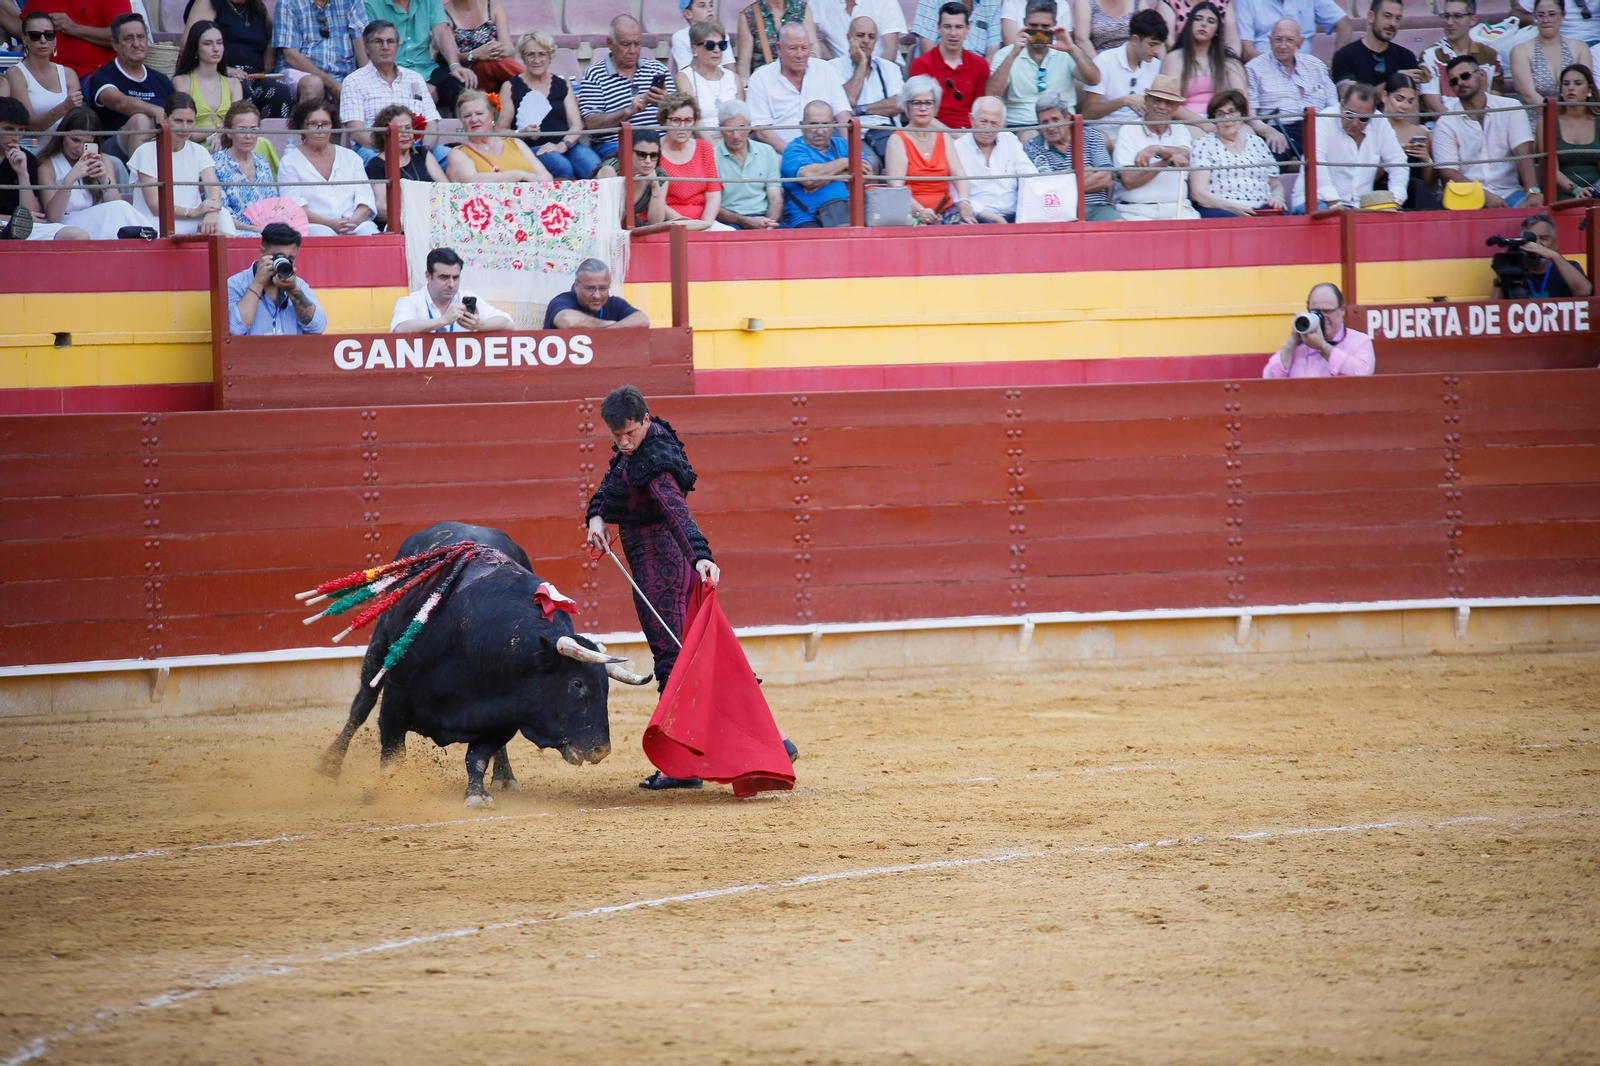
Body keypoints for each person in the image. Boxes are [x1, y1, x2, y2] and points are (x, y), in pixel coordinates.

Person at [582, 384, 722, 789]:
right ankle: (686, 758)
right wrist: (596, 517)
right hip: (650, 562)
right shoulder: (642, 445)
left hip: (664, 562)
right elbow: (612, 484)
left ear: (645, 419)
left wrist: (700, 554)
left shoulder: (656, 461)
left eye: (630, 434)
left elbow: (676, 512)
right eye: (616, 437)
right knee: (679, 654)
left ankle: (682, 763)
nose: (624, 444)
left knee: (674, 658)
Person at [1433, 54, 1544, 209]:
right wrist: (1482, 195)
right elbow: (1448, 172)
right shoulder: (1445, 122)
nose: (1461, 83)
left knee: (1535, 214)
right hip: (1466, 197)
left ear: (1481, 75)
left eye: (1465, 76)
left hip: (1510, 193)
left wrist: (1533, 192)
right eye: (1454, 81)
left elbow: (1523, 152)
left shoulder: (1511, 107)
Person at [128, 92, 239, 233]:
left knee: (223, 214)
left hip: (193, 218)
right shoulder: (145, 151)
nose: (184, 127)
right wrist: (192, 212)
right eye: (179, 121)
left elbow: (213, 188)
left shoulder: (199, 151)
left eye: (190, 122)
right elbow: (156, 206)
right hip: (156, 221)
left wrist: (212, 211)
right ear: (165, 118)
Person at [497, 31, 598, 180]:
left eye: (542, 54)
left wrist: (563, 145)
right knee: (561, 166)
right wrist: (522, 132)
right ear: (523, 57)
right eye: (531, 54)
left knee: (594, 165)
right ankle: (562, 203)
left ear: (550, 57)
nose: (536, 60)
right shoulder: (510, 86)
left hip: (566, 144)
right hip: (531, 147)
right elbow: (500, 130)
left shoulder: (562, 84)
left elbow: (576, 125)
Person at [988, 0, 1101, 131]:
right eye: (1033, 26)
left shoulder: (1066, 51)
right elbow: (992, 94)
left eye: (1045, 27)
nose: (1039, 32)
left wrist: (1072, 49)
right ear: (1024, 23)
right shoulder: (1006, 54)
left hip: (1063, 124)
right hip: (1023, 125)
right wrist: (1013, 54)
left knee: (1100, 139)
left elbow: (1094, 80)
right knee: (1030, 135)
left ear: (1055, 25)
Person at [35, 105, 145, 236]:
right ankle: (150, 236)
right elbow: (53, 217)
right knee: (119, 210)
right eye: (75, 140)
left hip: (97, 220)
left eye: (86, 143)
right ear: (62, 135)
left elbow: (115, 202)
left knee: (120, 208)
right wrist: (70, 179)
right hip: (66, 225)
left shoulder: (101, 160)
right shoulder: (47, 165)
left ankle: (148, 237)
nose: (79, 148)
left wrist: (104, 180)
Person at [1297, 81, 1406, 210]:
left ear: (1373, 113)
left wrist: (1396, 200)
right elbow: (1317, 162)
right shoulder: (1323, 120)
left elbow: (1398, 161)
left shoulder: (1379, 121)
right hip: (1317, 203)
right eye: (1349, 115)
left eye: (1363, 119)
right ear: (1342, 104)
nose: (1355, 123)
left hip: (1360, 208)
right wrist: (1334, 203)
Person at [278, 97, 379, 233]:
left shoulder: (350, 157)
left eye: (325, 123)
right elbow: (294, 207)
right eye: (313, 124)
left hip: (354, 223)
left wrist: (350, 223)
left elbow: (366, 200)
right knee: (323, 233)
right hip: (313, 225)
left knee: (369, 232)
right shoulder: (289, 161)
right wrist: (331, 224)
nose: (320, 129)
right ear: (302, 127)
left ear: (332, 127)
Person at [886, 75, 979, 222]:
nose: (923, 108)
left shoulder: (943, 137)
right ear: (907, 107)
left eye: (928, 103)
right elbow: (896, 185)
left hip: (945, 210)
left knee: (969, 229)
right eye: (917, 103)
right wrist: (920, 211)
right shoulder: (898, 139)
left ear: (935, 108)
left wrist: (964, 201)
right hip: (911, 214)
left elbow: (959, 174)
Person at [180, 0, 294, 118]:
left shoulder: (258, 6)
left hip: (255, 75)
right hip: (222, 72)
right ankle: (246, 133)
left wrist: (269, 52)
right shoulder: (208, 3)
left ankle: (273, 135)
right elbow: (188, 43)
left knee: (280, 90)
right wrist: (225, 69)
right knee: (242, 88)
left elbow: (272, 36)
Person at [577, 14, 669, 159]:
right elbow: (591, 124)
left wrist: (666, 103)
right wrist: (628, 111)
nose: (633, 51)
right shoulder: (595, 74)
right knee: (637, 156)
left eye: (637, 44)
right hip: (616, 145)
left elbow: (680, 114)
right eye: (626, 44)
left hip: (660, 142)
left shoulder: (657, 69)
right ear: (610, 43)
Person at [359, 0, 472, 116]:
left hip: (426, 69)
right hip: (391, 75)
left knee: (461, 91)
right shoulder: (371, 4)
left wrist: (455, 65)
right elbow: (370, 47)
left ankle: (462, 133)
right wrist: (419, 87)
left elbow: (441, 32)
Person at [748, 22, 852, 148]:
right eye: (793, 48)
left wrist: (850, 151)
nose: (800, 55)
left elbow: (842, 113)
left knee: (868, 163)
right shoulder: (760, 78)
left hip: (826, 148)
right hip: (782, 151)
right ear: (779, 48)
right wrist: (793, 154)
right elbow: (761, 131)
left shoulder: (826, 70)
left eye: (804, 48)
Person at [1244, 17, 1335, 160]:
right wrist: (1268, 131)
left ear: (1300, 42)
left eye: (1289, 40)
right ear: (1270, 39)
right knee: (1269, 155)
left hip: (1318, 129)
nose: (1283, 46)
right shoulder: (1254, 68)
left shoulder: (1316, 65)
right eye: (1278, 39)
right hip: (1280, 129)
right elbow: (1250, 116)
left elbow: (1334, 107)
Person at [82, 13, 171, 157]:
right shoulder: (103, 75)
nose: (136, 44)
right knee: (141, 120)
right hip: (111, 153)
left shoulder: (161, 80)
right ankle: (140, 178)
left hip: (158, 144)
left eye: (141, 37)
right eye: (128, 38)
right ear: (115, 44)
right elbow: (119, 102)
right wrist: (155, 111)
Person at [340, 19, 440, 147]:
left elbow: (431, 124)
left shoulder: (415, 78)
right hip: (375, 149)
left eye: (390, 41)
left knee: (453, 157)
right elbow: (357, 133)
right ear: (366, 47)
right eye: (378, 42)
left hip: (417, 148)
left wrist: (424, 151)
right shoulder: (353, 82)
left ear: (398, 46)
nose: (385, 47)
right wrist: (394, 153)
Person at [1162, 0, 1254, 139]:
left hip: (1226, 120)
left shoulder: (1230, 61)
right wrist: (1204, 124)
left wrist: (1225, 123)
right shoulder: (1174, 59)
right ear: (1190, 24)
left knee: (1248, 135)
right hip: (1187, 123)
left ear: (1217, 31)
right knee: (1204, 140)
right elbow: (1168, 104)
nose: (1203, 24)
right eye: (1198, 19)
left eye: (1211, 21)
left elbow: (1241, 101)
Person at [1113, 73, 1199, 219]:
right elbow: (1128, 181)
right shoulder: (1129, 130)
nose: (1162, 107)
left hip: (1178, 208)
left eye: (1168, 103)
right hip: (1135, 210)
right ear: (1146, 100)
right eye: (1157, 101)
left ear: (1176, 107)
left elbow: (1184, 154)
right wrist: (1164, 162)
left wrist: (1156, 150)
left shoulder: (1180, 129)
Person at [1189, 87, 1287, 214]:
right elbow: (1198, 193)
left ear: (1241, 115)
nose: (1226, 118)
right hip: (1222, 209)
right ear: (1214, 118)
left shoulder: (1257, 143)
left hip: (1262, 207)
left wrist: (1278, 197)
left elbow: (1275, 185)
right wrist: (1232, 207)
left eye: (1232, 112)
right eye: (1220, 113)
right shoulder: (1204, 144)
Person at [1082, 7, 1165, 152]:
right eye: (1152, 44)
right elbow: (1087, 113)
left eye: (1159, 45)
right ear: (1135, 39)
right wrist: (1123, 101)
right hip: (1105, 131)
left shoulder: (1156, 65)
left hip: (1140, 132)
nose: (1156, 51)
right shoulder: (1105, 61)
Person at [1026, 89, 1120, 217]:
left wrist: (1064, 182)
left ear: (1068, 118)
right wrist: (1087, 172)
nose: (1050, 127)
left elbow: (1105, 179)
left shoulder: (1091, 136)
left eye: (1055, 120)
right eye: (1045, 122)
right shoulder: (1033, 147)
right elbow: (1047, 189)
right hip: (1057, 213)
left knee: (1119, 229)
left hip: (1096, 208)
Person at [227, 221, 328, 335]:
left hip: (292, 352)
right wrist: (258, 283)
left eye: (290, 258)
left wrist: (293, 290)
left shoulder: (299, 285)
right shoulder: (236, 284)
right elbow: (234, 329)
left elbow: (318, 327)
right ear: (262, 252)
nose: (284, 262)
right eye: (279, 257)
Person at [831, 15, 904, 161]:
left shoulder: (889, 68)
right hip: (850, 133)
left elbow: (899, 103)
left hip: (885, 131)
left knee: (900, 160)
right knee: (869, 163)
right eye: (860, 35)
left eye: (871, 37)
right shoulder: (833, 67)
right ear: (848, 37)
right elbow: (848, 100)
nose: (866, 40)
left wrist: (860, 109)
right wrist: (862, 64)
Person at [1263, 282, 1373, 378]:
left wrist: (1323, 347)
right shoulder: (1300, 345)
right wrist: (1292, 342)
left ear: (1342, 310)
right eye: (1316, 312)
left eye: (1327, 311)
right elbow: (1268, 378)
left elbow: (1362, 374)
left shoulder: (1359, 341)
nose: (1322, 317)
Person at [954, 94, 1038, 220]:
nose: (987, 129)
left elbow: (1030, 174)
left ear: (1003, 124)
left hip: (1015, 215)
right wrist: (995, 218)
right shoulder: (958, 148)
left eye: (994, 123)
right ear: (971, 119)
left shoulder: (1010, 140)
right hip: (977, 217)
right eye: (983, 121)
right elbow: (955, 195)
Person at [391, 246, 514, 332]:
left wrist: (479, 325)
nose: (451, 284)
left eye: (455, 278)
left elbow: (507, 322)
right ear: (428, 276)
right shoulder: (411, 301)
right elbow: (399, 328)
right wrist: (443, 320)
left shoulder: (467, 297)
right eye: (444, 277)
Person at [910, 2, 992, 128]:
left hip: (970, 134)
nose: (953, 33)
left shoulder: (980, 65)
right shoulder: (921, 64)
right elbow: (920, 113)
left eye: (958, 27)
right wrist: (954, 137)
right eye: (947, 26)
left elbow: (979, 112)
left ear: (968, 28)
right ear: (938, 27)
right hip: (933, 132)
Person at [271, 0, 367, 106]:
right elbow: (291, 56)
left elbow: (363, 52)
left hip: (344, 77)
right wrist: (332, 84)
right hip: (300, 73)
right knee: (313, 84)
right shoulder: (288, 3)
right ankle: (309, 121)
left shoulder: (352, 2)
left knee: (365, 87)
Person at [6, 10, 84, 140]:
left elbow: (77, 120)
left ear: (55, 39)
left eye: (49, 35)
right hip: (33, 148)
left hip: (66, 148)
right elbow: (29, 124)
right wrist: (63, 107)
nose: (43, 40)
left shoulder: (68, 74)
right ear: (24, 38)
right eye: (35, 35)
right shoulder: (16, 73)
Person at [1418, 0, 1504, 116]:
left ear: (1473, 20)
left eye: (1457, 16)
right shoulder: (1430, 56)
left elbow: (1496, 104)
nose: (1449, 22)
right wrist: (1463, 125)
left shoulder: (1490, 56)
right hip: (1446, 127)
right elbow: (1433, 107)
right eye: (1446, 16)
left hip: (1486, 125)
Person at [445, 88, 550, 182]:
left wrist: (536, 181)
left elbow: (546, 176)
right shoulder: (458, 153)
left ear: (492, 115)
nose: (474, 119)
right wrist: (517, 176)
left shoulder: (515, 143)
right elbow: (469, 180)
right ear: (462, 121)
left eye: (479, 113)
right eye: (467, 116)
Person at [365, 102, 444, 226]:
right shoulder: (377, 165)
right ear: (384, 133)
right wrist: (417, 211)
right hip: (400, 225)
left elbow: (445, 187)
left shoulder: (423, 154)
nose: (405, 134)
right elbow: (380, 209)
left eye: (408, 128)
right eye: (398, 129)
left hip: (432, 220)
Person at [780, 98, 856, 226]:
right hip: (808, 218)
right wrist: (844, 163)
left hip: (845, 214)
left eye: (825, 124)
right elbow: (809, 179)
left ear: (833, 125)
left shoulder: (844, 145)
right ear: (802, 125)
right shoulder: (793, 150)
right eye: (813, 125)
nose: (820, 131)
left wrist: (822, 178)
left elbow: (865, 174)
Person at [657, 92, 727, 226]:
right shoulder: (654, 150)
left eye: (688, 121)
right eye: (676, 120)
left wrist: (706, 225)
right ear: (664, 120)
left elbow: (713, 194)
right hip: (669, 223)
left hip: (704, 222)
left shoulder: (704, 148)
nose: (682, 127)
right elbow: (653, 200)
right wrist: (685, 224)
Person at [211, 99, 281, 230]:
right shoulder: (216, 163)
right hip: (234, 231)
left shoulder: (262, 162)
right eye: (242, 129)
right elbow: (222, 213)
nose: (249, 136)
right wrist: (253, 229)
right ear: (228, 132)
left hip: (267, 230)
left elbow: (273, 204)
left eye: (254, 129)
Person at [714, 97, 784, 228]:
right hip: (731, 221)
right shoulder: (712, 157)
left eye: (741, 128)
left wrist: (769, 223)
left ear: (749, 126)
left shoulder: (766, 151)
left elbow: (775, 198)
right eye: (729, 130)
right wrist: (746, 221)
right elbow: (713, 206)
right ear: (720, 129)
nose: (736, 136)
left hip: (764, 217)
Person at [172, 20, 246, 142]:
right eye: (208, 43)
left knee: (262, 143)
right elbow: (188, 132)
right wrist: (219, 130)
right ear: (195, 49)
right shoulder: (182, 81)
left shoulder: (234, 84)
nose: (216, 49)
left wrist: (221, 136)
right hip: (197, 146)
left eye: (219, 43)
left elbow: (239, 125)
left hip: (229, 144)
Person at [1491, 211, 1594, 297]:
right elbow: (1492, 312)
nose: (1538, 244)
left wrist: (1553, 255)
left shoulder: (1568, 267)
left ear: (1555, 243)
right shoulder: (1514, 272)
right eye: (1532, 239)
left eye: (1544, 238)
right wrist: (1501, 277)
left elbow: (1584, 291)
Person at [1511, 0, 1594, 104]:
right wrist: (1555, 117)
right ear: (1535, 17)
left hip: (1573, 115)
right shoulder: (1520, 51)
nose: (1546, 20)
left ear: (1563, 16)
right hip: (1536, 115)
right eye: (1540, 15)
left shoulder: (1581, 48)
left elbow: (1583, 91)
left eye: (1552, 14)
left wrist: (1565, 118)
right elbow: (1529, 94)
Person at [21, 0, 125, 81]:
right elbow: (23, 28)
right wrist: (4, 9)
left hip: (94, 73)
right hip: (47, 73)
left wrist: (74, 28)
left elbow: (122, 35)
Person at [1379, 72, 1438, 209]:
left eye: (1410, 101)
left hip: (1413, 199)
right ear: (1384, 96)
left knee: (1417, 185)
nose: (1405, 106)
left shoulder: (1420, 132)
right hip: (1378, 196)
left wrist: (1426, 161)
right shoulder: (1371, 128)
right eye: (1399, 99)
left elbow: (1429, 186)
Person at [1330, 0, 1421, 88]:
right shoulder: (1345, 56)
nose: (1393, 23)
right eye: (1387, 16)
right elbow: (1350, 99)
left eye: (1397, 18)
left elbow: (1414, 102)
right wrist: (1396, 80)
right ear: (1371, 17)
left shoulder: (1406, 57)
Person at [674, 18, 744, 132]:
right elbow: (694, 120)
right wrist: (713, 148)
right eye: (710, 45)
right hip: (704, 143)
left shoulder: (734, 78)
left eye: (721, 45)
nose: (717, 50)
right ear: (694, 49)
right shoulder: (684, 77)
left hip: (733, 141)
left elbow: (742, 120)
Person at [1233, 0, 1352, 63]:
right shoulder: (1245, 1)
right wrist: (1280, 66)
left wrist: (1338, 61)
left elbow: (1344, 24)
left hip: (1305, 70)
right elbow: (1247, 51)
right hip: (1264, 70)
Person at [544, 259, 650, 328]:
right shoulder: (562, 301)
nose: (597, 295)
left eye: (603, 288)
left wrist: (609, 330)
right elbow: (568, 321)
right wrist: (609, 324)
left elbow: (642, 321)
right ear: (576, 286)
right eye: (590, 288)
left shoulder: (614, 303)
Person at [440, 0, 517, 94]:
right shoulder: (443, 13)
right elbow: (451, 58)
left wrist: (501, 50)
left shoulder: (492, 5)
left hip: (497, 71)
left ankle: (528, 88)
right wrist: (475, 54)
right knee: (487, 64)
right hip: (467, 77)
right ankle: (530, 86)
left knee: (496, 62)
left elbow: (510, 49)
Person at [738, 0, 821, 79]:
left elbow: (813, 47)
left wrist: (806, 65)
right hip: (765, 82)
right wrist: (745, 86)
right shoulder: (749, 15)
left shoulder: (801, 9)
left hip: (801, 78)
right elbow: (743, 65)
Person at [1554, 63, 1600, 197]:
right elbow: (1549, 168)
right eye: (1566, 83)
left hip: (1595, 192)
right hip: (1563, 194)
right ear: (1561, 90)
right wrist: (1575, 190)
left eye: (1578, 83)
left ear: (1589, 89)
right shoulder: (1548, 122)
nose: (1571, 88)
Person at [812, 0, 906, 61]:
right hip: (839, 76)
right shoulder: (819, 2)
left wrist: (875, 77)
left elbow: (891, 49)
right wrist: (831, 68)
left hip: (881, 74)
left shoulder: (885, 2)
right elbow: (811, 36)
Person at [915, 0, 1005, 57]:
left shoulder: (993, 2)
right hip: (939, 74)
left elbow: (993, 50)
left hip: (979, 75)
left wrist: (980, 78)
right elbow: (927, 49)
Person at [1073, 0, 1161, 54]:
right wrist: (1098, 67)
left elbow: (1150, 31)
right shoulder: (1086, 2)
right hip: (1099, 63)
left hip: (1134, 60)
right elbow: (1081, 39)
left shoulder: (1138, 1)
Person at [672, 0, 733, 71]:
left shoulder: (721, 33)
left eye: (711, 5)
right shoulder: (680, 37)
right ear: (688, 13)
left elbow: (729, 64)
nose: (710, 9)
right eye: (702, 6)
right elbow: (686, 71)